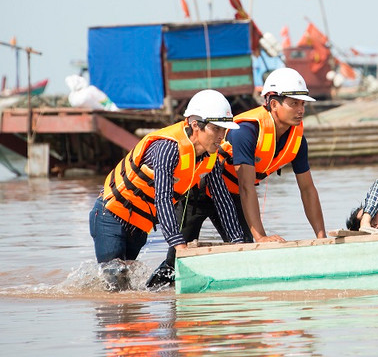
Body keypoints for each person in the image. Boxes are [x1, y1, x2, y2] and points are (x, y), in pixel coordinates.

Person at [89, 89, 244, 289]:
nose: (221, 137)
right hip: (110, 216)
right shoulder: (167, 148)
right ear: (195, 124)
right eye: (216, 129)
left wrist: (238, 242)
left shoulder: (210, 156)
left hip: (140, 225)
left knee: (127, 288)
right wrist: (178, 243)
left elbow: (222, 199)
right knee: (115, 284)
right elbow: (162, 199)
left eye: (224, 130)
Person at [223, 67, 327, 243]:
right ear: (273, 104)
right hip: (205, 192)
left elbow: (307, 189)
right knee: (177, 254)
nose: (300, 110)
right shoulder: (246, 132)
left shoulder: (298, 141)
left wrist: (321, 236)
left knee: (244, 245)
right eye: (294, 103)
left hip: (236, 196)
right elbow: (246, 186)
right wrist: (261, 237)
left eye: (302, 104)